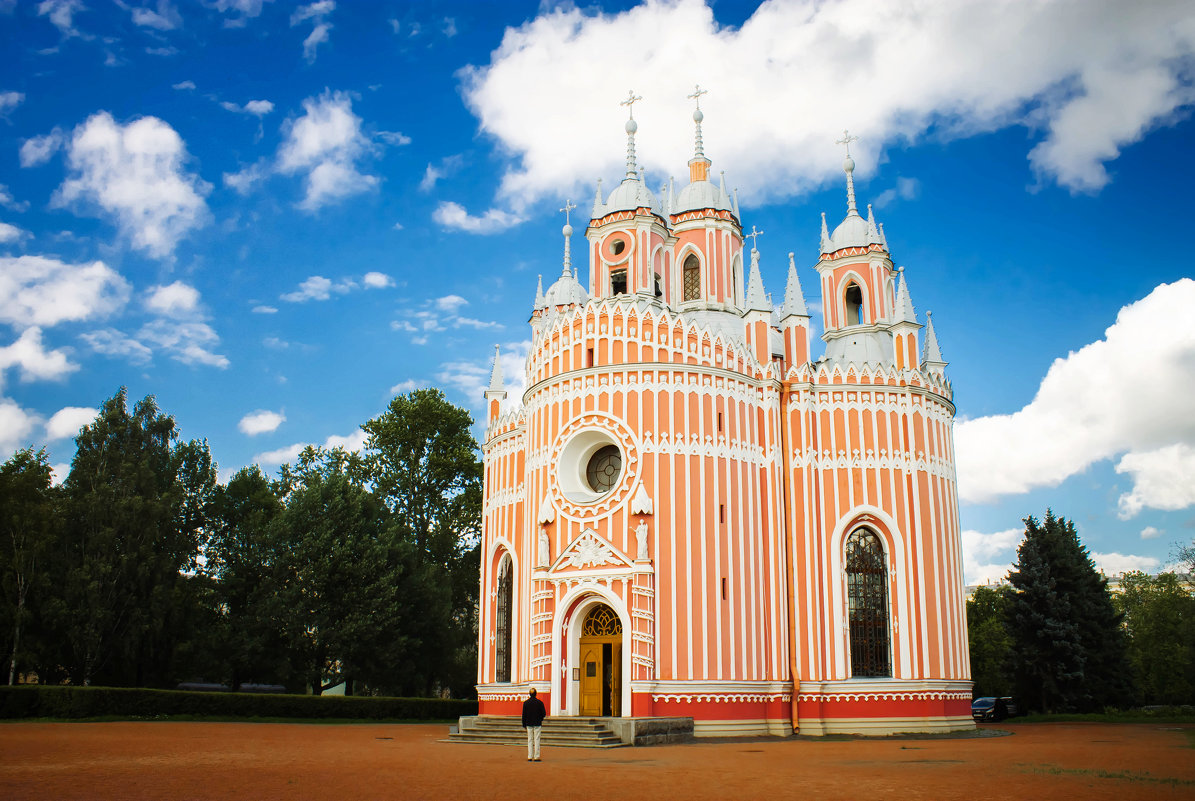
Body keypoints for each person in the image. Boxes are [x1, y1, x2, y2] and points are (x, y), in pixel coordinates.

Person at [521, 688, 547, 761]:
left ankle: (530, 756)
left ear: (529, 694)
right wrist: (540, 719)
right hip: (537, 723)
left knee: (530, 740)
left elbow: (524, 715)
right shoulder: (539, 703)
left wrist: (524, 724)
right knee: (537, 739)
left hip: (529, 724)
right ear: (536, 694)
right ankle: (536, 756)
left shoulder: (526, 703)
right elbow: (544, 714)